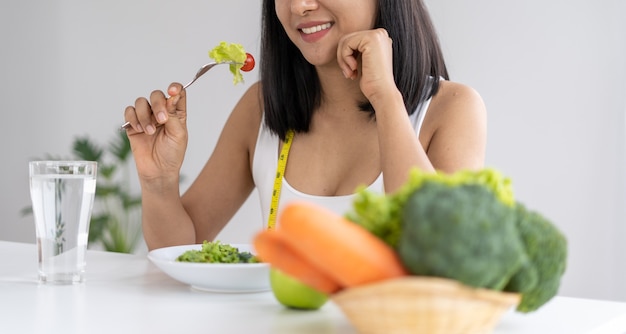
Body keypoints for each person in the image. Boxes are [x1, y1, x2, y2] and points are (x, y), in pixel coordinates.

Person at [123, 0, 486, 251]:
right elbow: (179, 252)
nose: (299, 6)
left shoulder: (451, 110)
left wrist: (386, 98)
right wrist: (158, 183)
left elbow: (440, 257)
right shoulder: (262, 109)